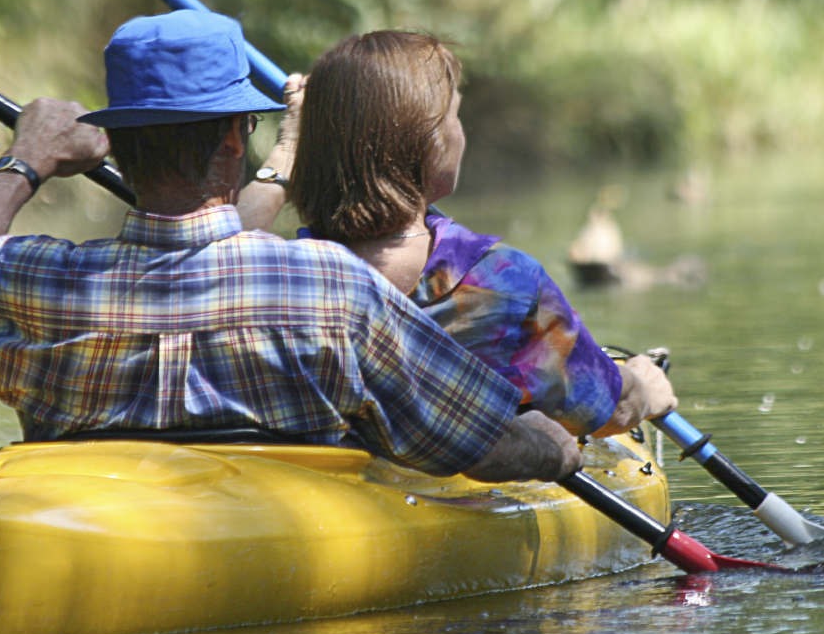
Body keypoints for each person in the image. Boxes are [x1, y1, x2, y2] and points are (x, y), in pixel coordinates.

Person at [0, 10, 583, 485]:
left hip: (91, 525)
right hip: (262, 553)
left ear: (116, 147)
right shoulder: (331, 287)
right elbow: (478, 438)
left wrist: (26, 159)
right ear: (231, 142)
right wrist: (553, 449)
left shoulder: (43, 279)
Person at [260, 29, 676, 441]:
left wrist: (286, 150)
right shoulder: (500, 277)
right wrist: (643, 387)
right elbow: (604, 409)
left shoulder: (270, 273)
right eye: (455, 116)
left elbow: (212, 250)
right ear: (426, 141)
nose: (461, 133)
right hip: (462, 484)